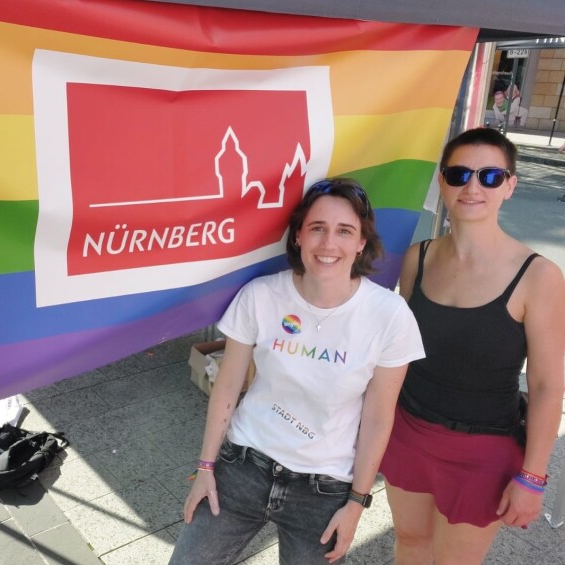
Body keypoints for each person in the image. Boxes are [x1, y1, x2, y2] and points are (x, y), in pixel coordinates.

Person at [169, 178, 425, 565]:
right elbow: (228, 384)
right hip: (242, 468)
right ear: (298, 237)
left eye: (345, 231)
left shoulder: (389, 317)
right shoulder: (261, 295)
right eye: (317, 228)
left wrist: (356, 503)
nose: (328, 244)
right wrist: (205, 467)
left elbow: (377, 417)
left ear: (361, 243)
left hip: (322, 491)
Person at [380, 128, 565, 564]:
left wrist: (533, 477)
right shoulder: (417, 258)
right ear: (442, 182)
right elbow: (398, 355)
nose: (472, 187)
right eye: (459, 174)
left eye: (490, 176)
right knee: (409, 543)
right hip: (407, 432)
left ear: (510, 186)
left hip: (482, 451)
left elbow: (546, 387)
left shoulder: (538, 277)